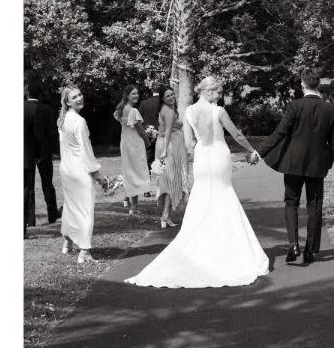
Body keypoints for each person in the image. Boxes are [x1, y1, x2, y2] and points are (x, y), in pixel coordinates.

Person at [126, 76, 268, 288]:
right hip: (218, 154)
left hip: (202, 156)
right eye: (218, 92)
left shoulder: (189, 112)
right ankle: (226, 247)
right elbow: (236, 134)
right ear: (209, 91)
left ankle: (202, 243)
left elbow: (188, 142)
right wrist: (251, 149)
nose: (219, 96)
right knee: (223, 194)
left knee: (203, 197)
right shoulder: (218, 111)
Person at [256, 71, 334, 265]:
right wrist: (328, 163)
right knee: (315, 205)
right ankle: (310, 249)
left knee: (291, 202)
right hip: (317, 164)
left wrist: (260, 152)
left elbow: (280, 133)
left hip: (293, 163)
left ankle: (294, 244)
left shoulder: (294, 106)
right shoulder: (329, 109)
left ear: (303, 84)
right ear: (318, 85)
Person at [57, 86, 102, 264]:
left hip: (67, 169)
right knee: (84, 209)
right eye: (74, 97)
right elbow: (86, 149)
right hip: (79, 171)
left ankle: (67, 242)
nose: (79, 98)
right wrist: (96, 172)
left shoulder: (62, 119)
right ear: (67, 102)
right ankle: (84, 251)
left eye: (80, 95)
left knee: (71, 206)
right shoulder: (79, 121)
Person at [24, 80, 59, 234]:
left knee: (28, 187)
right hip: (44, 152)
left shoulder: (22, 108)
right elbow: (52, 132)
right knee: (47, 184)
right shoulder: (48, 109)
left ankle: (29, 220)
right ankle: (52, 214)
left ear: (27, 92)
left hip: (26, 153)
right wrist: (55, 149)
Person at [153, 87, 189, 230]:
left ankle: (165, 215)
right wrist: (164, 151)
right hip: (169, 147)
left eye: (172, 94)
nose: (171, 97)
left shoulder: (164, 109)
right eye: (167, 95)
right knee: (170, 180)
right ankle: (165, 215)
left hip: (166, 145)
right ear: (162, 98)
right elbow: (167, 131)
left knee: (166, 181)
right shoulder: (169, 111)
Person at [114, 86, 151, 215]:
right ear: (127, 95)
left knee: (129, 171)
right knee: (135, 172)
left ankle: (126, 199)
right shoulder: (133, 111)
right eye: (133, 93)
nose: (136, 95)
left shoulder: (121, 108)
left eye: (137, 93)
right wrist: (147, 140)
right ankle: (133, 207)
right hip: (134, 144)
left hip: (125, 143)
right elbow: (140, 130)